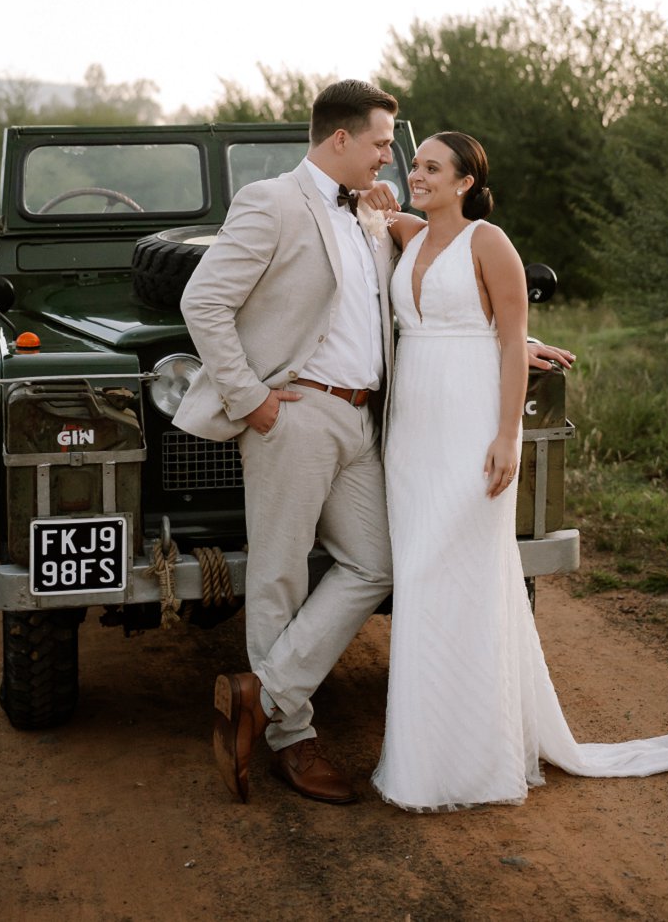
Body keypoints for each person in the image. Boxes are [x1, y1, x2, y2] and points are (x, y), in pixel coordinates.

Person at [176, 81, 571, 805]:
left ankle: (263, 694)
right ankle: (292, 740)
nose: (393, 158)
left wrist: (516, 340)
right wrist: (250, 398)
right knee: (279, 575)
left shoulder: (371, 215)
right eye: (384, 144)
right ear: (342, 139)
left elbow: (442, 291)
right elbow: (202, 301)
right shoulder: (272, 202)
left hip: (367, 422)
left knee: (378, 562)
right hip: (295, 412)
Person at [370, 130, 668, 811]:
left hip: (472, 425)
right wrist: (373, 195)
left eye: (432, 167)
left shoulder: (490, 241)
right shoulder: (407, 232)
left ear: (466, 182)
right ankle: (425, 754)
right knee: (421, 577)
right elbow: (372, 212)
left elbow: (505, 339)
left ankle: (472, 761)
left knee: (464, 578)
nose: (418, 175)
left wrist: (508, 437)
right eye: (415, 165)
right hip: (412, 430)